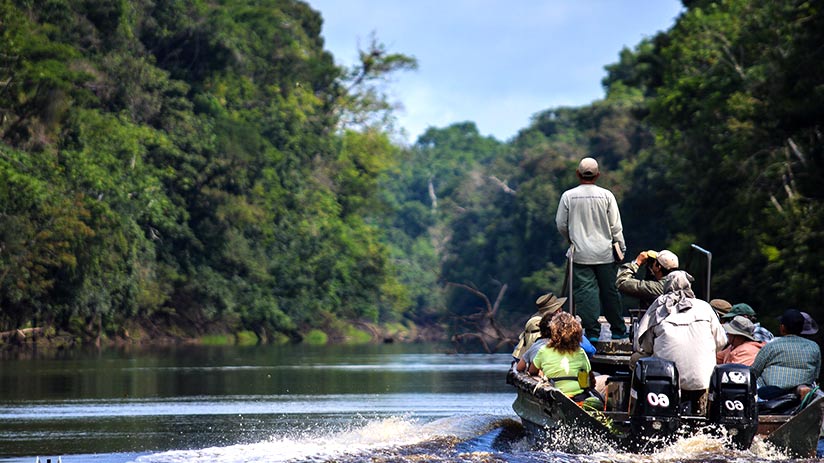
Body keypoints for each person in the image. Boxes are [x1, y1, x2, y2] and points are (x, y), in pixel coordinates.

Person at [633, 270, 727, 414]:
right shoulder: (705, 307)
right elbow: (721, 341)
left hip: (665, 376)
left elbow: (644, 346)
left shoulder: (659, 305)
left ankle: (634, 411)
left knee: (636, 361)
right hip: (703, 378)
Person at [556, 157, 627, 342]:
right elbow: (616, 227)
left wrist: (572, 240)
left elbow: (561, 224)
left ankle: (593, 333)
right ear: (597, 175)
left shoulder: (568, 196)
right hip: (605, 253)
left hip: (580, 254)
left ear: (578, 174)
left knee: (587, 293)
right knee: (610, 291)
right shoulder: (607, 195)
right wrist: (621, 248)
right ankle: (618, 330)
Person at [530, 312, 600, 407]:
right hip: (578, 397)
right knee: (599, 400)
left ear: (553, 332)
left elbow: (532, 371)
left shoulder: (543, 350)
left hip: (554, 396)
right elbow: (587, 378)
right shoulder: (580, 352)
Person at [750, 309, 821, 400]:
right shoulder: (814, 347)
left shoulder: (772, 345)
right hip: (800, 392)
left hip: (771, 393)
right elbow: (815, 375)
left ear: (782, 327)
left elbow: (754, 372)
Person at [512, 292, 567, 359]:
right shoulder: (542, 323)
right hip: (534, 359)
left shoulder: (534, 321)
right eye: (560, 309)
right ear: (558, 310)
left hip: (522, 356)